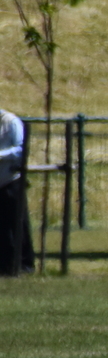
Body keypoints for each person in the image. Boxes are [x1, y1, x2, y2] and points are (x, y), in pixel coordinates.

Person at [0, 105, 30, 276]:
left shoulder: (10, 121)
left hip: (11, 181)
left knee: (16, 224)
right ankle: (4, 265)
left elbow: (20, 149)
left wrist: (1, 155)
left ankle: (24, 264)